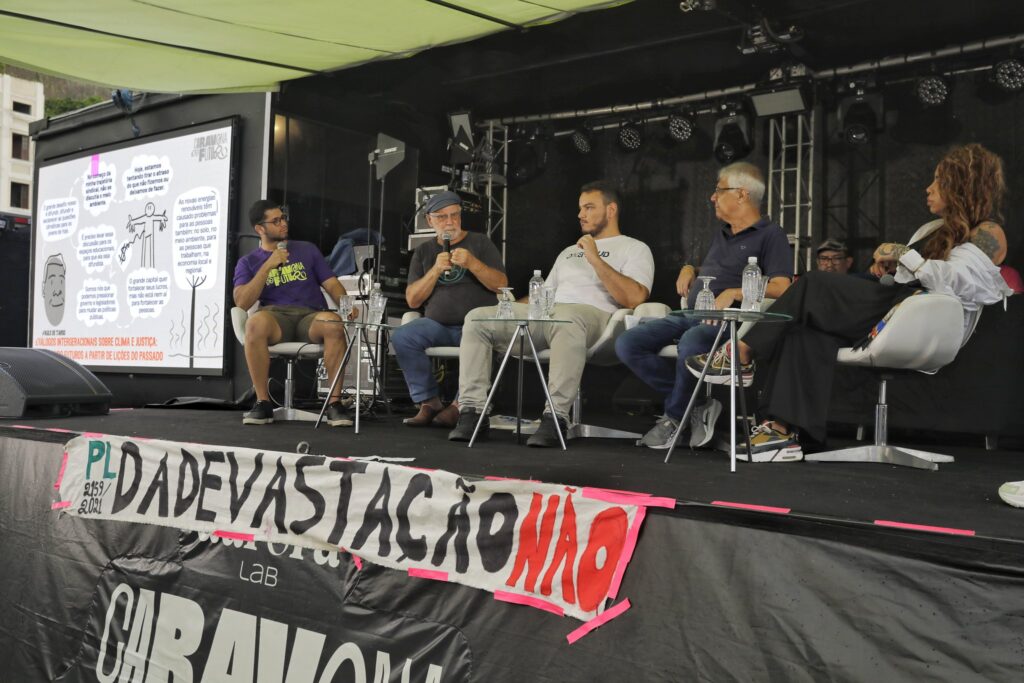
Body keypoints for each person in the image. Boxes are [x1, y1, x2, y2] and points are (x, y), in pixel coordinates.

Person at [686, 144, 1013, 459]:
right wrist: (892, 268)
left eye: (938, 181)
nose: (928, 188)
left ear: (960, 186)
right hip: (894, 304)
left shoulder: (988, 232)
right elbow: (914, 273)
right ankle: (782, 431)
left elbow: (964, 282)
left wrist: (903, 255)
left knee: (814, 283)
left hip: (914, 319)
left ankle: (741, 353)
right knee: (806, 331)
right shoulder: (933, 228)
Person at [448, 180, 654, 447]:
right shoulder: (568, 252)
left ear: (611, 210)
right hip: (547, 314)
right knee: (477, 318)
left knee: (567, 320)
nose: (580, 214)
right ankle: (472, 412)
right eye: (580, 208)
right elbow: (542, 294)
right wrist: (509, 306)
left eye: (589, 207)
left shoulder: (634, 248)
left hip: (596, 319)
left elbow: (635, 298)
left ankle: (555, 417)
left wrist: (595, 258)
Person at [615, 162, 793, 449]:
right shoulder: (721, 233)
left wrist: (735, 292)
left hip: (728, 322)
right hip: (692, 314)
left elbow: (782, 286)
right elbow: (713, 268)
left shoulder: (771, 234)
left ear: (741, 194)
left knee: (692, 341)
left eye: (719, 190)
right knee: (628, 343)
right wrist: (689, 268)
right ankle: (695, 404)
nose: (712, 197)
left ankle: (674, 417)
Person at [233, 200, 356, 427]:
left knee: (333, 323)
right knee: (254, 324)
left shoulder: (307, 250)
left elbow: (331, 283)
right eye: (275, 221)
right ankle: (262, 402)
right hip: (275, 318)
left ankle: (334, 404)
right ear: (260, 229)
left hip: (310, 315)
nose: (283, 224)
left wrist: (347, 304)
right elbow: (242, 301)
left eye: (283, 218)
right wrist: (268, 265)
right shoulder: (248, 262)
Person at [393, 191, 507, 427]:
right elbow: (413, 300)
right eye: (442, 217)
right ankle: (429, 402)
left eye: (455, 215)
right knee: (403, 336)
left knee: (486, 335)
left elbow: (501, 285)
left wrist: (472, 263)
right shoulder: (423, 252)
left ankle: (460, 405)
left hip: (476, 327)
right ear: (430, 220)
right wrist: (435, 270)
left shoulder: (480, 243)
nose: (450, 222)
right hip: (438, 326)